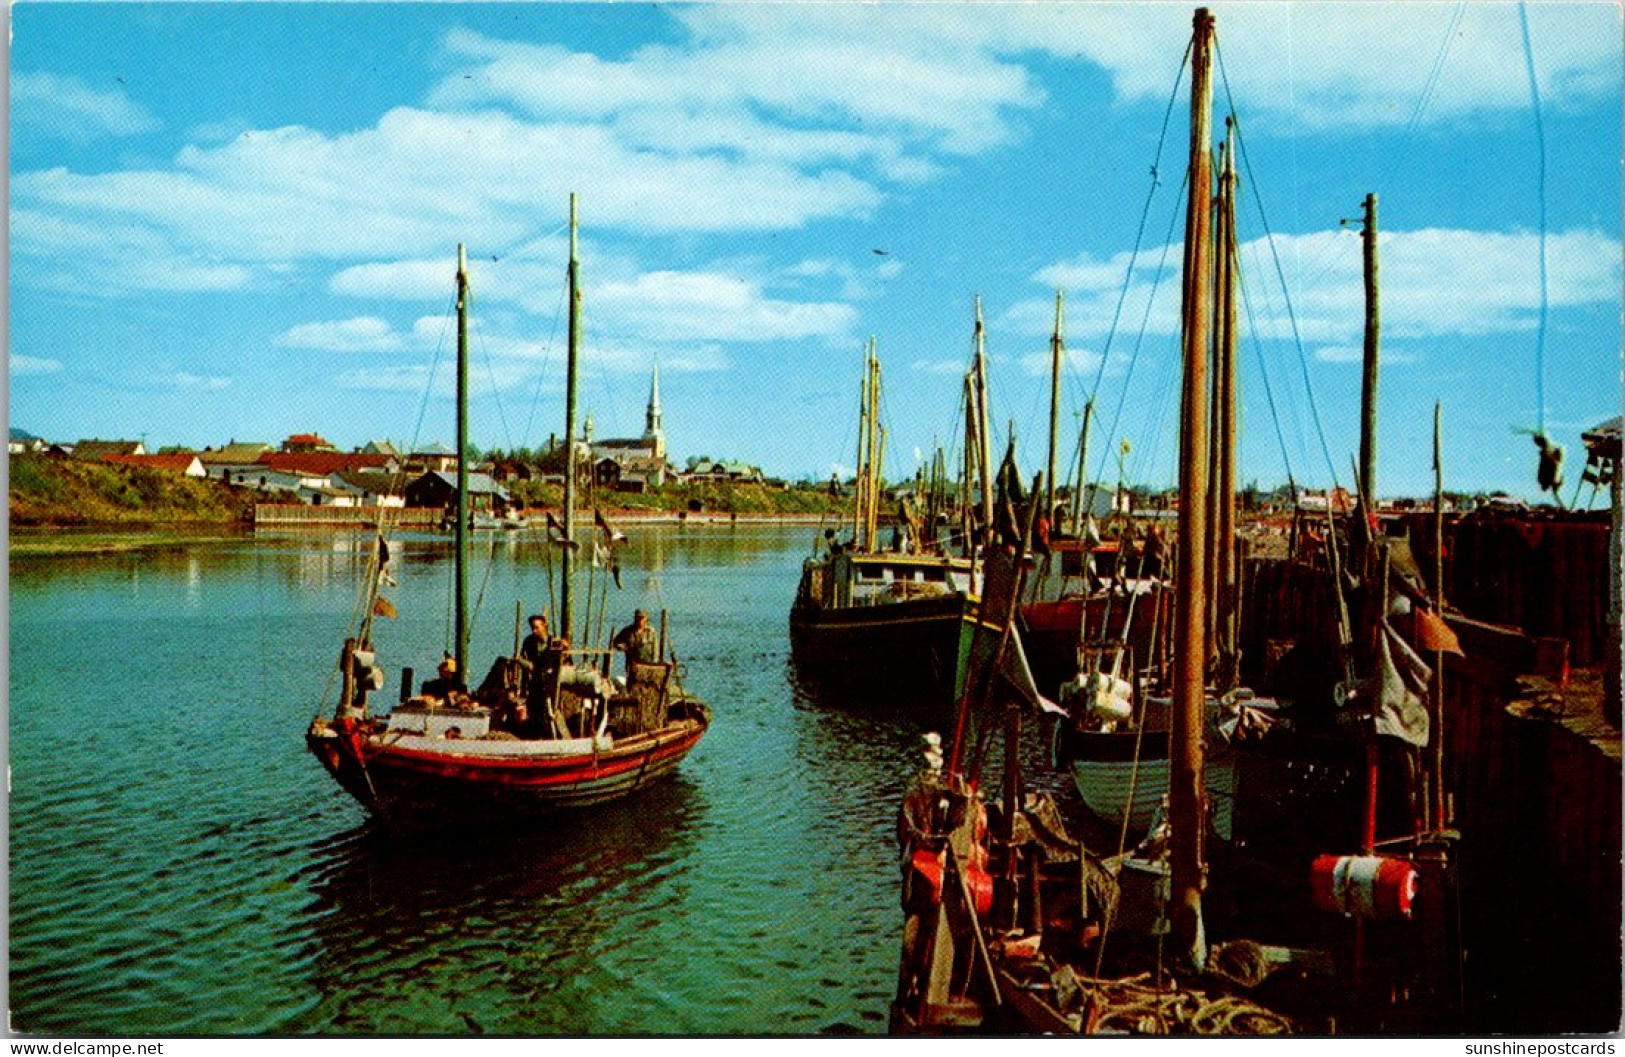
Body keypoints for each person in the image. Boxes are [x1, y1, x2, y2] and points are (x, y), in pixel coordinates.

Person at [611, 609, 658, 679]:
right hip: (632, 663)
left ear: (646, 619)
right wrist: (625, 648)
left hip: (648, 663)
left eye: (642, 618)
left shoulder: (651, 631)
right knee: (632, 683)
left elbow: (655, 649)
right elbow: (615, 642)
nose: (640, 620)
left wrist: (654, 663)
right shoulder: (628, 631)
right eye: (638, 618)